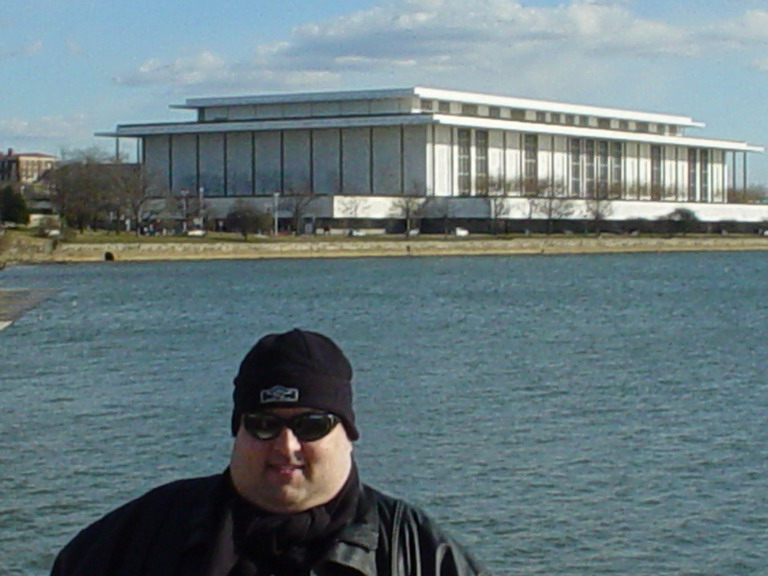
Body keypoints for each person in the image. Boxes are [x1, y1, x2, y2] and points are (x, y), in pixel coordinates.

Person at [51, 328, 488, 576]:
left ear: (348, 434)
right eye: (263, 424)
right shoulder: (130, 543)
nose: (286, 446)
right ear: (238, 432)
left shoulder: (422, 555)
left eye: (311, 425)